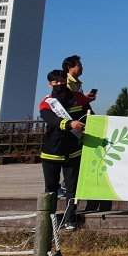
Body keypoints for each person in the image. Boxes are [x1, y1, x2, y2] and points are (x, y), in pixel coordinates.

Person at [38, 69, 91, 231]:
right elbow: (52, 120)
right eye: (56, 82)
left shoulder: (78, 98)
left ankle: (70, 219)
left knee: (72, 188)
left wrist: (87, 126)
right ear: (50, 84)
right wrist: (69, 124)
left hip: (73, 151)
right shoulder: (46, 102)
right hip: (51, 152)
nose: (60, 84)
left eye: (62, 81)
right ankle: (49, 220)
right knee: (51, 188)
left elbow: (89, 114)